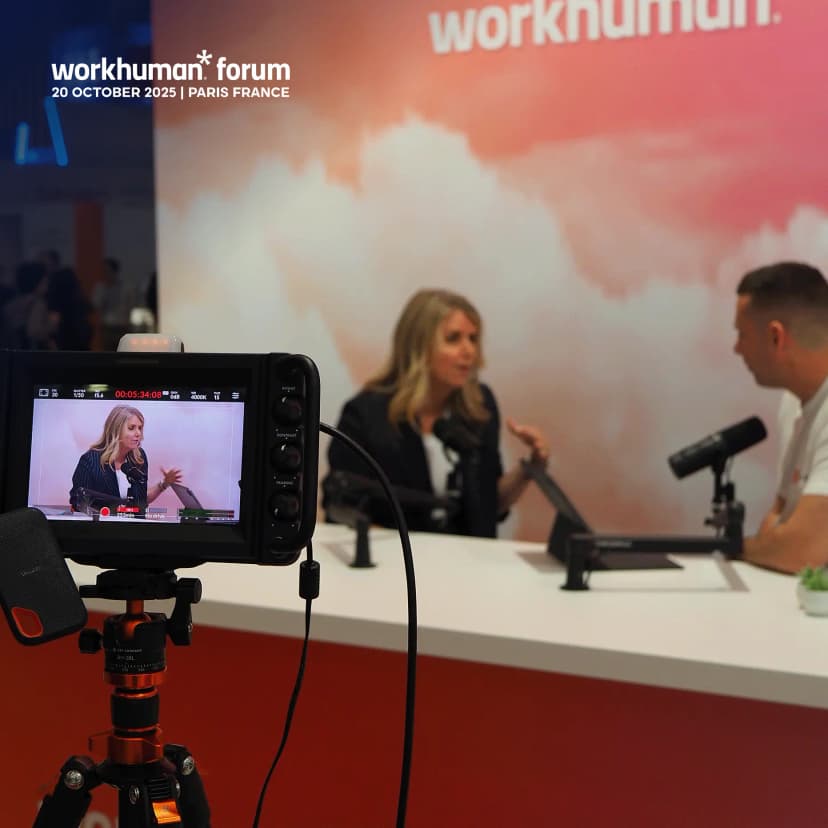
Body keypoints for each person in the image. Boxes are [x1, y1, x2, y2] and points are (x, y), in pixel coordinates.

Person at [324, 288, 549, 537]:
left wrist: (530, 468)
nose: (469, 351)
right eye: (453, 339)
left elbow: (489, 506)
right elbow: (342, 509)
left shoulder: (480, 406)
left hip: (469, 556)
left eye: (473, 339)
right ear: (418, 346)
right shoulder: (365, 414)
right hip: (395, 557)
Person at [734, 262, 828, 573]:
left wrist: (738, 548)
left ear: (776, 337)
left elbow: (801, 551)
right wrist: (775, 542)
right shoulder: (792, 403)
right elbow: (778, 520)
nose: (737, 349)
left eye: (742, 334)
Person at [70, 405, 182, 512]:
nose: (138, 433)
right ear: (116, 430)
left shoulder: (139, 458)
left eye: (140, 428)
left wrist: (164, 484)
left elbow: (140, 501)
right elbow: (78, 503)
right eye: (131, 428)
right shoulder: (90, 461)